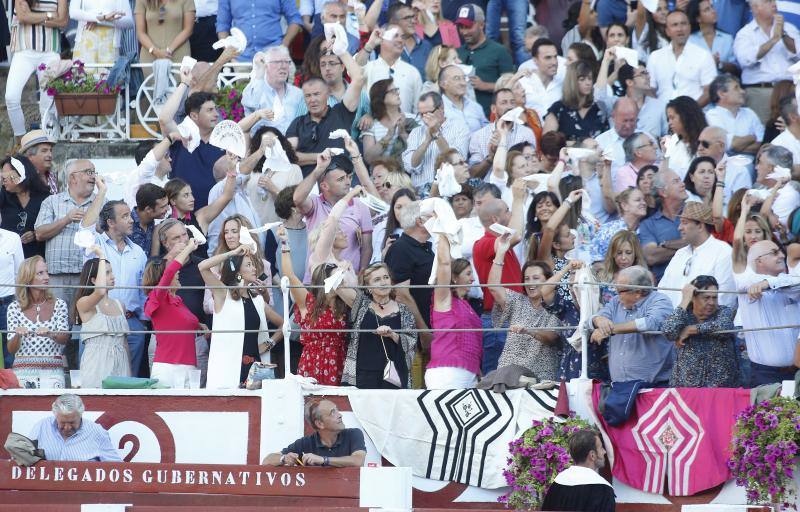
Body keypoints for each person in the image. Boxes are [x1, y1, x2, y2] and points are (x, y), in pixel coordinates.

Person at [83, 194, 149, 378]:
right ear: (110, 222)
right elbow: (85, 229)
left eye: (130, 215)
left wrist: (141, 323)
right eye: (125, 216)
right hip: (99, 320)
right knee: (97, 378)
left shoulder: (138, 252)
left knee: (129, 379)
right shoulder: (94, 244)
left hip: (132, 322)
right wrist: (101, 191)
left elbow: (143, 290)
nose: (132, 220)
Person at [486, 234, 563, 382]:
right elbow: (494, 288)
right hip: (508, 375)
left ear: (548, 280)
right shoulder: (517, 301)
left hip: (540, 378)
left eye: (536, 278)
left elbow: (552, 337)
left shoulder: (556, 305)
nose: (530, 283)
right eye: (526, 279)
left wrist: (529, 331)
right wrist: (501, 252)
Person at [279, 226, 348, 385]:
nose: (341, 282)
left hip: (340, 362)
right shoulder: (309, 303)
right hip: (312, 363)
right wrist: (284, 243)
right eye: (336, 278)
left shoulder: (345, 304)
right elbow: (289, 275)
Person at [34, 160, 106, 311]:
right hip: (57, 277)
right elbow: (39, 233)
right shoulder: (52, 201)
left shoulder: (102, 202)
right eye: (89, 172)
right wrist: (66, 219)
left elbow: (109, 234)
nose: (93, 177)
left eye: (94, 172)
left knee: (86, 320)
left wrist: (91, 222)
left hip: (89, 276)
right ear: (73, 177)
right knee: (57, 320)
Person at [200, 245, 274, 389]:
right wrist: (233, 253)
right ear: (237, 272)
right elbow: (202, 267)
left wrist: (270, 342)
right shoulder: (223, 293)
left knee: (261, 402)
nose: (254, 269)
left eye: (253, 265)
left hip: (257, 367)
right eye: (248, 265)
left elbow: (281, 323)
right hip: (229, 370)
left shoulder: (257, 299)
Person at [335, 262, 417, 389]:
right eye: (377, 279)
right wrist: (341, 270)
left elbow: (412, 342)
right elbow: (335, 285)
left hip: (393, 376)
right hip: (362, 376)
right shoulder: (360, 305)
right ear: (368, 287)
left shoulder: (404, 310)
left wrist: (393, 335)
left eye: (386, 277)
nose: (383, 282)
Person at [591, 265, 675, 385]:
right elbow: (595, 318)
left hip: (654, 386)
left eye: (620, 291)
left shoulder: (660, 300)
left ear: (638, 292)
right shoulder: (616, 301)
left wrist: (609, 329)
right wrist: (599, 320)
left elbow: (650, 323)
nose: (616, 294)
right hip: (619, 385)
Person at [473, 187, 526, 374]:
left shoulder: (501, 246)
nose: (511, 215)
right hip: (499, 319)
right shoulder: (483, 244)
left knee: (514, 377)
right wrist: (518, 199)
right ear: (495, 219)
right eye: (507, 211)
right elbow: (516, 235)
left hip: (511, 317)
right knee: (495, 379)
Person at [294, 152, 373, 275]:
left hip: (348, 280)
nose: (348, 182)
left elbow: (367, 247)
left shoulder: (360, 206)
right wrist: (318, 169)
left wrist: (361, 275)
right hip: (317, 281)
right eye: (341, 179)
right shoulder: (315, 203)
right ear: (324, 186)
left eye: (349, 177)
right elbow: (297, 199)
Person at [735, 240, 800, 386]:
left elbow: (793, 282)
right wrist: (765, 283)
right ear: (759, 261)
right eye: (774, 253)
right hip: (765, 375)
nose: (782, 255)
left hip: (795, 372)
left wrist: (767, 284)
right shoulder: (747, 279)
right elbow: (744, 283)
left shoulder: (786, 280)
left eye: (781, 251)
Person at [424, 233, 482, 389]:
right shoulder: (443, 298)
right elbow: (444, 264)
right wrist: (443, 233)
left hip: (470, 373)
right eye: (468, 274)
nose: (472, 279)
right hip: (447, 372)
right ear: (454, 277)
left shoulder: (466, 305)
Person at [5, 3, 67, 146]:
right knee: (11, 97)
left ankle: (48, 142)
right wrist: (49, 16)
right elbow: (22, 17)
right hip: (23, 50)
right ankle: (21, 141)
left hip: (50, 51)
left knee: (48, 102)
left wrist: (32, 17)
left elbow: (63, 21)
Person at [143, 239, 202, 388]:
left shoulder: (177, 300)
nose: (178, 273)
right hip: (167, 368)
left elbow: (179, 322)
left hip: (189, 366)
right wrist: (188, 249)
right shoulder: (157, 297)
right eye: (174, 273)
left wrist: (200, 325)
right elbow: (170, 271)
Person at [662, 276, 738, 387]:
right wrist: (685, 300)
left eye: (714, 298)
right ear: (693, 298)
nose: (711, 302)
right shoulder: (683, 314)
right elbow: (668, 331)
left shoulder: (723, 311)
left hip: (720, 387)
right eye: (706, 298)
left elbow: (725, 326)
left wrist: (691, 329)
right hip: (685, 387)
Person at [658, 201, 736, 308]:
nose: (679, 227)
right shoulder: (680, 254)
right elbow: (662, 292)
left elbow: (724, 300)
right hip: (671, 317)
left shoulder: (723, 252)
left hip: (704, 318)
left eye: (685, 223)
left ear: (700, 226)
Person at [6, 256, 69, 387]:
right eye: (40, 273)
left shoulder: (59, 304)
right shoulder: (14, 307)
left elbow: (65, 338)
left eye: (47, 272)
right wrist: (17, 335)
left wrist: (50, 334)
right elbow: (11, 349)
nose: (47, 277)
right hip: (23, 371)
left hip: (53, 371)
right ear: (28, 278)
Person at [158, 87, 226, 211]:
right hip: (182, 217)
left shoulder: (225, 142)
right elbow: (164, 119)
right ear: (194, 115)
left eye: (215, 109)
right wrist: (184, 83)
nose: (216, 114)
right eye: (210, 110)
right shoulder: (182, 136)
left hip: (216, 215)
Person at [733, 0, 800, 123]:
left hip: (789, 90)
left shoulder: (789, 28)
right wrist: (773, 40)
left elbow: (798, 53)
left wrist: (783, 35)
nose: (774, 4)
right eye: (768, 2)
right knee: (761, 130)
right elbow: (745, 60)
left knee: (794, 128)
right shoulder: (745, 34)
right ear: (755, 8)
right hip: (760, 92)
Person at [73, 248, 132, 388]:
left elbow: (124, 343)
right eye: (107, 273)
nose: (112, 276)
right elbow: (99, 292)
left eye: (111, 272)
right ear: (93, 280)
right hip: (96, 364)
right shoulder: (84, 302)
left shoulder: (120, 305)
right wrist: (101, 255)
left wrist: (129, 373)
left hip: (121, 363)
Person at [286, 73, 364, 176]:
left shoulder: (341, 113)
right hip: (306, 182)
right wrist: (322, 156)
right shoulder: (297, 123)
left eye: (316, 94)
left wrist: (306, 158)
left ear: (327, 94)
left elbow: (358, 78)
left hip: (339, 181)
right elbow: (289, 156)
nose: (312, 100)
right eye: (308, 96)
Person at [402, 91, 470, 197]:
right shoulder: (416, 132)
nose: (424, 118)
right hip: (420, 193)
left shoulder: (459, 128)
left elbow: (456, 160)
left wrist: (436, 133)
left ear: (441, 108)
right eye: (421, 114)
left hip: (450, 191)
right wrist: (426, 142)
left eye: (429, 113)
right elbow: (411, 166)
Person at [262, 399, 366, 467]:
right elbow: (266, 461)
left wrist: (323, 460)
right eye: (332, 412)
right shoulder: (305, 443)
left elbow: (358, 461)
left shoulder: (353, 434)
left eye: (337, 410)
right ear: (320, 424)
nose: (340, 415)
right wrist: (284, 458)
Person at [646, 9, 717, 106]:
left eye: (683, 24)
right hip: (662, 113)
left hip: (694, 113)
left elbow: (709, 91)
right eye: (674, 25)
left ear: (689, 27)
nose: (680, 29)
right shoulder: (655, 57)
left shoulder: (703, 55)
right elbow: (650, 90)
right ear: (667, 31)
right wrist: (660, 111)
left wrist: (688, 112)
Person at [455, 4, 515, 115]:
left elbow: (512, 85)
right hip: (462, 117)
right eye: (461, 27)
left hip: (491, 116)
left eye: (468, 26)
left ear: (482, 24)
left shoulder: (499, 51)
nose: (464, 32)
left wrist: (485, 86)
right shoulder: (456, 53)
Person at [160, 173, 236, 257]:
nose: (192, 199)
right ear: (173, 201)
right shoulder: (162, 227)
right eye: (186, 195)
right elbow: (156, 259)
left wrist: (231, 173)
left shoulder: (201, 217)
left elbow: (227, 196)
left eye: (191, 194)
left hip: (203, 265)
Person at [29, 394, 121, 462]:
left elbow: (116, 468)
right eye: (62, 423)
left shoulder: (96, 432)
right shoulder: (41, 427)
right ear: (55, 415)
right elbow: (26, 456)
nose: (67, 427)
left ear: (81, 415)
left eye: (72, 422)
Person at [468, 88, 536, 179]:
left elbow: (532, 168)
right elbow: (473, 174)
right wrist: (491, 157)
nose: (509, 107)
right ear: (493, 109)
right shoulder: (479, 136)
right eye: (504, 103)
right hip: (489, 186)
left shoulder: (527, 134)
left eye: (512, 102)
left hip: (519, 184)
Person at [541, 429, 614, 512]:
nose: (604, 452)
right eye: (601, 448)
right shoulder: (603, 489)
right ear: (592, 455)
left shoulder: (558, 483)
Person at [244, 127, 304, 225]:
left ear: (282, 143)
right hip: (252, 226)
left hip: (279, 227)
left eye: (274, 141)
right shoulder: (252, 169)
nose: (271, 145)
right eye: (266, 143)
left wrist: (273, 189)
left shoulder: (293, 169)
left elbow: (296, 203)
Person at [361, 24, 424, 116]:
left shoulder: (412, 72)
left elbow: (418, 112)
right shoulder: (369, 68)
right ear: (382, 39)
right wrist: (370, 44)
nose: (400, 40)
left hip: (406, 124)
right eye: (395, 36)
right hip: (372, 124)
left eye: (402, 37)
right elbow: (354, 70)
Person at [241, 46, 304, 135]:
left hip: (292, 142)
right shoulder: (255, 89)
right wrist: (260, 74)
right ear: (265, 65)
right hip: (262, 141)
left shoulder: (298, 93)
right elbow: (251, 104)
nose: (283, 66)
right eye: (277, 62)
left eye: (286, 62)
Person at [639, 169, 688, 281]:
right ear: (663, 192)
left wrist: (666, 244)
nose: (683, 184)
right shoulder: (648, 224)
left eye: (680, 180)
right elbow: (652, 256)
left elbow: (701, 242)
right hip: (666, 284)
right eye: (676, 181)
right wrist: (688, 246)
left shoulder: (694, 213)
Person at [543, 61, 609, 144]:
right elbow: (547, 142)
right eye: (582, 79)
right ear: (572, 81)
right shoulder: (558, 109)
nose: (588, 83)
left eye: (590, 78)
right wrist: (577, 144)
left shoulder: (599, 108)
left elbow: (608, 139)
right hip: (567, 151)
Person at [216, 0, 301, 62]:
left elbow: (295, 19)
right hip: (241, 60)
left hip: (275, 56)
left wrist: (284, 45)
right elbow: (222, 25)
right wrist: (230, 55)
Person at [704, 74, 764, 161]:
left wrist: (734, 146)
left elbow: (761, 144)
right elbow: (727, 145)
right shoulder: (712, 115)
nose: (742, 91)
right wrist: (752, 137)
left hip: (752, 165)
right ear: (722, 94)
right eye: (736, 88)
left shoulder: (749, 113)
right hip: (725, 165)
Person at [0, 155, 49, 259]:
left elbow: (50, 226)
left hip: (36, 258)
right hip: (9, 258)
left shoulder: (44, 197)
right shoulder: (3, 195)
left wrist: (35, 234)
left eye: (7, 175)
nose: (3, 178)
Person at [696, 126, 753, 208]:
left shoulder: (739, 172)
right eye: (698, 143)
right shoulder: (694, 166)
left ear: (721, 146)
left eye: (705, 144)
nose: (699, 148)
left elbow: (740, 208)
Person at [361, 79, 416, 164]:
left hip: (406, 172)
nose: (397, 93)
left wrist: (403, 134)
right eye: (392, 91)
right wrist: (388, 136)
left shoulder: (413, 119)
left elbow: (419, 153)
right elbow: (368, 158)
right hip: (380, 172)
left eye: (396, 90)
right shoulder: (371, 124)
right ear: (381, 97)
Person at [588, 187, 648, 263]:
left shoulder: (646, 230)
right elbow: (594, 258)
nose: (644, 203)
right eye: (638, 200)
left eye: (644, 200)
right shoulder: (608, 229)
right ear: (624, 206)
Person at [70, 0, 133, 64]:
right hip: (84, 44)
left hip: (109, 47)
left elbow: (129, 22)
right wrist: (101, 17)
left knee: (109, 70)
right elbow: (73, 13)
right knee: (83, 70)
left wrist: (105, 19)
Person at [134, 0, 195, 67]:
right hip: (149, 56)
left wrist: (169, 50)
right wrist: (155, 51)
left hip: (179, 54)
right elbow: (140, 33)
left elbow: (188, 29)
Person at [598, 230, 648, 304]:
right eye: (619, 253)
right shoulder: (603, 276)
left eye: (628, 253)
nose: (623, 257)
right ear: (612, 254)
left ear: (636, 254)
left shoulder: (644, 279)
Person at [687, 0, 737, 75]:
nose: (713, 11)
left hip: (723, 81)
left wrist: (719, 64)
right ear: (698, 18)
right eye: (707, 10)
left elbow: (736, 68)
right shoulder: (690, 40)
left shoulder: (727, 38)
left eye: (712, 7)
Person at [665, 96, 709, 179]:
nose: (669, 123)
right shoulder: (673, 140)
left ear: (686, 116)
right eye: (668, 119)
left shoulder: (706, 143)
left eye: (672, 118)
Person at [595, 97, 639, 177]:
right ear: (613, 117)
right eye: (625, 121)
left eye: (632, 120)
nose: (628, 125)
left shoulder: (647, 139)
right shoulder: (600, 143)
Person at [388, 2, 433, 78]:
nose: (413, 21)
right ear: (393, 21)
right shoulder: (386, 47)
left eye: (413, 17)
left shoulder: (426, 46)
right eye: (407, 18)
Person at [439, 64, 488, 134]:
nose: (463, 83)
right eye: (456, 78)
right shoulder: (437, 110)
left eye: (464, 78)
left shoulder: (476, 107)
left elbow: (487, 132)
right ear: (443, 84)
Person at [525, 38, 565, 121]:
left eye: (555, 57)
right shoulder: (523, 85)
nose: (554, 62)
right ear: (535, 61)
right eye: (548, 58)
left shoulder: (564, 84)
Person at [130, 183, 170, 256]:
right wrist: (156, 237)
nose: (167, 209)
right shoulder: (127, 226)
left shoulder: (151, 221)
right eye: (163, 207)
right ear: (148, 209)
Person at [19, 130, 58, 195]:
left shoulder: (52, 176)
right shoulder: (23, 179)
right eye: (44, 151)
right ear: (30, 156)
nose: (50, 155)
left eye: (50, 150)